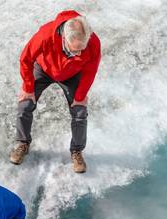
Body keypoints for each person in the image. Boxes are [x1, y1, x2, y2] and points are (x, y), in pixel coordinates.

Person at [10, 10, 101, 173]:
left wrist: (80, 97)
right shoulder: (46, 34)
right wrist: (28, 87)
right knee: (25, 104)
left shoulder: (93, 42)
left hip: (72, 74)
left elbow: (90, 71)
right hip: (44, 69)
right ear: (64, 38)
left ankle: (77, 151)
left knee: (80, 111)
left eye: (82, 49)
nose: (79, 53)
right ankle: (23, 143)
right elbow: (26, 59)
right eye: (75, 50)